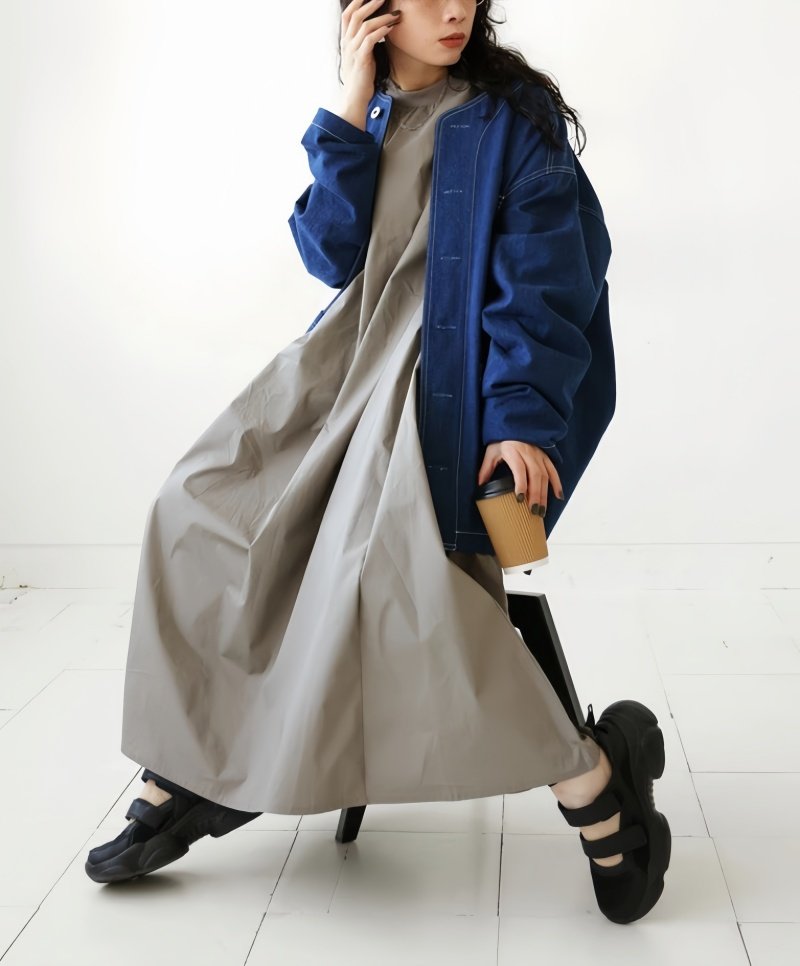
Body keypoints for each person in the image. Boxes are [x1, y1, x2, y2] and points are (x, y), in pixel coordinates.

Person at [85, 0, 671, 925]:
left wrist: (521, 417)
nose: (454, 10)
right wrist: (350, 104)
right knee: (195, 506)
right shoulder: (374, 111)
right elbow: (328, 256)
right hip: (344, 370)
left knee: (391, 559)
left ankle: (594, 779)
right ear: (374, 10)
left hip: (459, 391)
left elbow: (549, 280)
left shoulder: (511, 119)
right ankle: (194, 762)